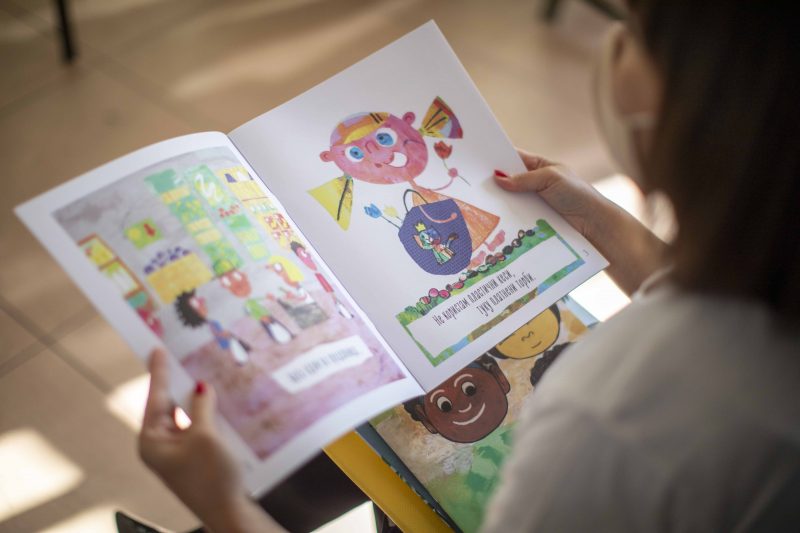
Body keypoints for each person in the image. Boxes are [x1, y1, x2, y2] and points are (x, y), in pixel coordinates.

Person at [138, 1, 800, 531]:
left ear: (705, 110)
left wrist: (223, 506)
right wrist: (596, 217)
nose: (615, 46)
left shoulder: (608, 416)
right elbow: (699, 289)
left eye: (638, 27)